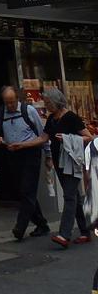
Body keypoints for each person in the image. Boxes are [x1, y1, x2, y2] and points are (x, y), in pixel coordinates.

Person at [0, 86, 50, 241]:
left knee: (27, 189)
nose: (10, 106)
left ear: (17, 100)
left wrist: (48, 155)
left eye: (12, 102)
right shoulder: (0, 113)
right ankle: (42, 224)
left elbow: (42, 134)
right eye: (7, 103)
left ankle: (20, 227)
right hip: (13, 154)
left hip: (31, 153)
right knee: (24, 191)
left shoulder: (29, 111)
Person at [42, 87, 92, 248]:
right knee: (74, 197)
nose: (46, 105)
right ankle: (85, 231)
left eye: (48, 102)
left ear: (56, 101)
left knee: (70, 197)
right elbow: (43, 138)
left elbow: (88, 137)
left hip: (71, 161)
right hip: (58, 162)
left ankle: (64, 234)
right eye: (45, 102)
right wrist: (21, 145)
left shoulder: (71, 117)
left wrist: (67, 139)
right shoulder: (51, 119)